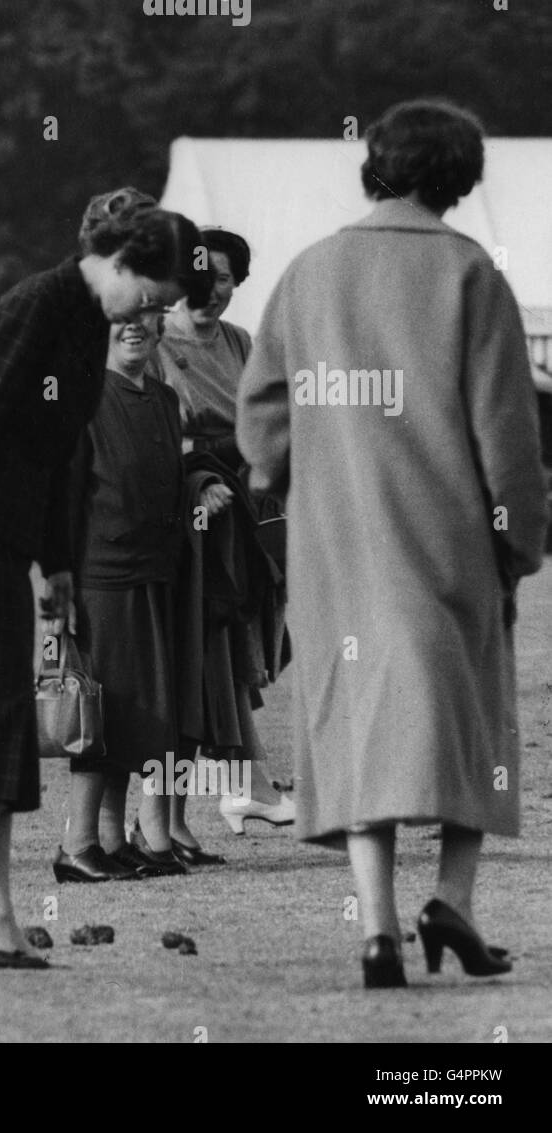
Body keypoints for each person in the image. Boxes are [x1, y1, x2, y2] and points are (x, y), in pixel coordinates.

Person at [237, 99, 547, 988]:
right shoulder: (469, 273)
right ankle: (451, 899)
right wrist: (519, 542)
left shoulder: (309, 271)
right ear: (460, 176)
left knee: (359, 722)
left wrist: (293, 482)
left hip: (337, 543)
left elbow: (260, 423)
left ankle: (376, 928)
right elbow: (507, 432)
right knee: (469, 716)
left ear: (374, 162)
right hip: (449, 539)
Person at [0, 188, 211, 970]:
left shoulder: (86, 322)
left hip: (6, 542)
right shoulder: (39, 305)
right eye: (148, 295)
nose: (148, 315)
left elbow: (51, 461)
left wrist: (60, 566)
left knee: (4, 731)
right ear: (117, 261)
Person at [55, 315, 232, 883]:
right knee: (98, 713)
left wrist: (201, 486)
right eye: (122, 320)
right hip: (98, 577)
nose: (135, 329)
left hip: (156, 572)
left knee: (136, 713)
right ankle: (75, 845)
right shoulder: (78, 396)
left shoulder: (160, 397)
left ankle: (109, 841)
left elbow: (174, 470)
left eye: (146, 320)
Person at [154, 228, 296, 838]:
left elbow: (275, 416)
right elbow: (158, 427)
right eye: (200, 274)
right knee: (210, 649)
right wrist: (197, 477)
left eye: (224, 277)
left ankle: (246, 783)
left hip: (251, 505)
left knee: (248, 646)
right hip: (191, 506)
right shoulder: (153, 339)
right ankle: (247, 785)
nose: (212, 288)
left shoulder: (243, 342)